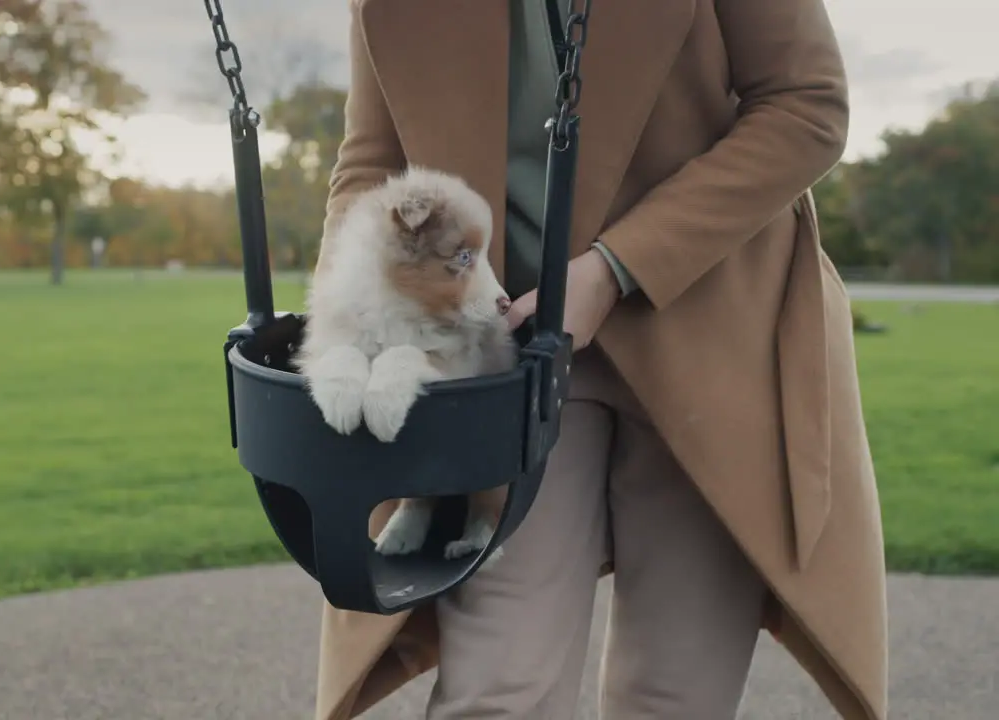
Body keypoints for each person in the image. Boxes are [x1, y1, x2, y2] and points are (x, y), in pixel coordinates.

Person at [311, 0, 889, 719]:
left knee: (676, 694)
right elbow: (374, 162)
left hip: (712, 329)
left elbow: (807, 106)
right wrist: (341, 325)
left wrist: (616, 267)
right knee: (497, 688)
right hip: (507, 355)